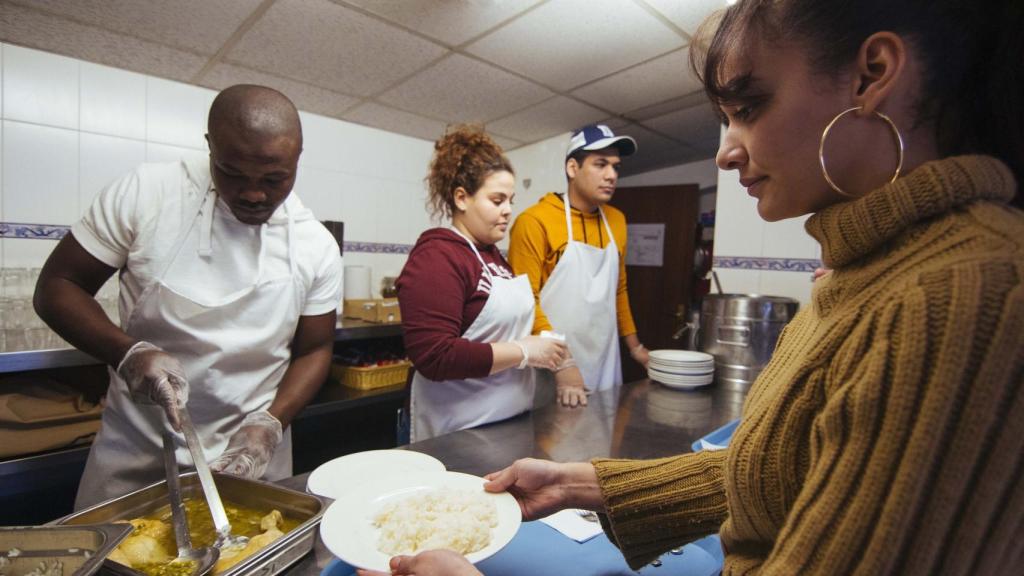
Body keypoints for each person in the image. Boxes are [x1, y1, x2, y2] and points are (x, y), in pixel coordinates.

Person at [358, 0, 1024, 573]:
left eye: (748, 107)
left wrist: (632, 348)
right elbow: (772, 471)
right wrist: (579, 481)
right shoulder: (863, 273)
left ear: (873, 75)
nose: (725, 151)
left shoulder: (961, 297)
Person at [34, 85, 344, 509]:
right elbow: (58, 286)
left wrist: (271, 423)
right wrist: (127, 354)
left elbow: (316, 348)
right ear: (209, 147)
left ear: (297, 160)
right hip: (137, 455)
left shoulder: (316, 244)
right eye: (232, 173)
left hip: (253, 462)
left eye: (275, 179)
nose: (254, 194)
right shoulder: (147, 194)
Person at [396, 125, 580, 443]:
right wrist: (523, 351)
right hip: (454, 430)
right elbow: (435, 356)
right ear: (462, 198)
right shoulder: (438, 255)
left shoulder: (493, 257)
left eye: (510, 200)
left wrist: (553, 354)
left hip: (506, 423)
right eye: (497, 200)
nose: (508, 210)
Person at [507, 124, 649, 394]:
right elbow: (525, 301)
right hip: (551, 362)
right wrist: (563, 362)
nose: (611, 176)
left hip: (605, 360)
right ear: (573, 168)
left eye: (616, 167)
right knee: (552, 434)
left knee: (601, 433)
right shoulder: (535, 221)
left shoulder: (617, 221)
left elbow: (619, 290)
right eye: (600, 164)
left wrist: (636, 348)